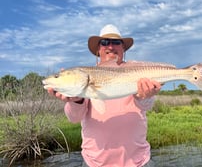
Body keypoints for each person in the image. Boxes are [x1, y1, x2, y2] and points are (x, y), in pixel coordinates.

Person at [47, 24, 161, 167]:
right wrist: (76, 100)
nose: (111, 47)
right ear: (98, 50)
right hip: (95, 162)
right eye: (105, 42)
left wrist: (146, 95)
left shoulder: (136, 71)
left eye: (116, 42)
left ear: (123, 48)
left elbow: (146, 106)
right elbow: (74, 118)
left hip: (138, 161)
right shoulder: (86, 77)